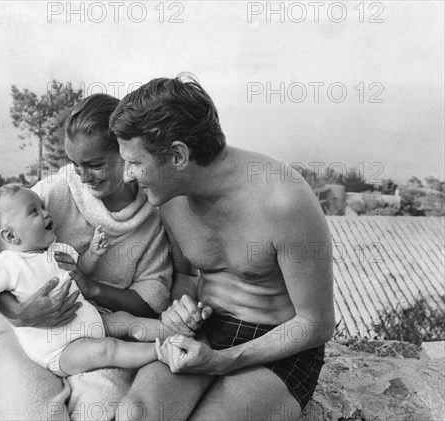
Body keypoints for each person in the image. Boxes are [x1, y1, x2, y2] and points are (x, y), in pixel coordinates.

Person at [110, 75, 335, 421]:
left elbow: (317, 323)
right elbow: (185, 275)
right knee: (134, 415)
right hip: (206, 330)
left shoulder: (283, 200)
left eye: (135, 163)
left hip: (278, 344)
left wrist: (224, 361)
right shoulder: (168, 197)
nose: (128, 176)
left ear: (178, 155)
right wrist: (180, 313)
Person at [0, 94, 175, 420]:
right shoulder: (53, 192)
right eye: (76, 165)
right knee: (23, 411)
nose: (84, 178)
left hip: (97, 331)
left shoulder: (150, 219)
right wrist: (19, 313)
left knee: (100, 411)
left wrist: (95, 289)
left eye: (96, 164)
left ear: (126, 153)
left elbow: (150, 300)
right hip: (25, 337)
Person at [0, 185, 204, 376]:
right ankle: (162, 352)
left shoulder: (57, 250)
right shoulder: (7, 264)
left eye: (42, 206)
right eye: (33, 211)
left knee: (125, 320)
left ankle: (180, 332)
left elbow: (80, 271)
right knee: (107, 349)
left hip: (91, 321)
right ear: (11, 236)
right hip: (61, 349)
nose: (45, 212)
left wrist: (94, 253)